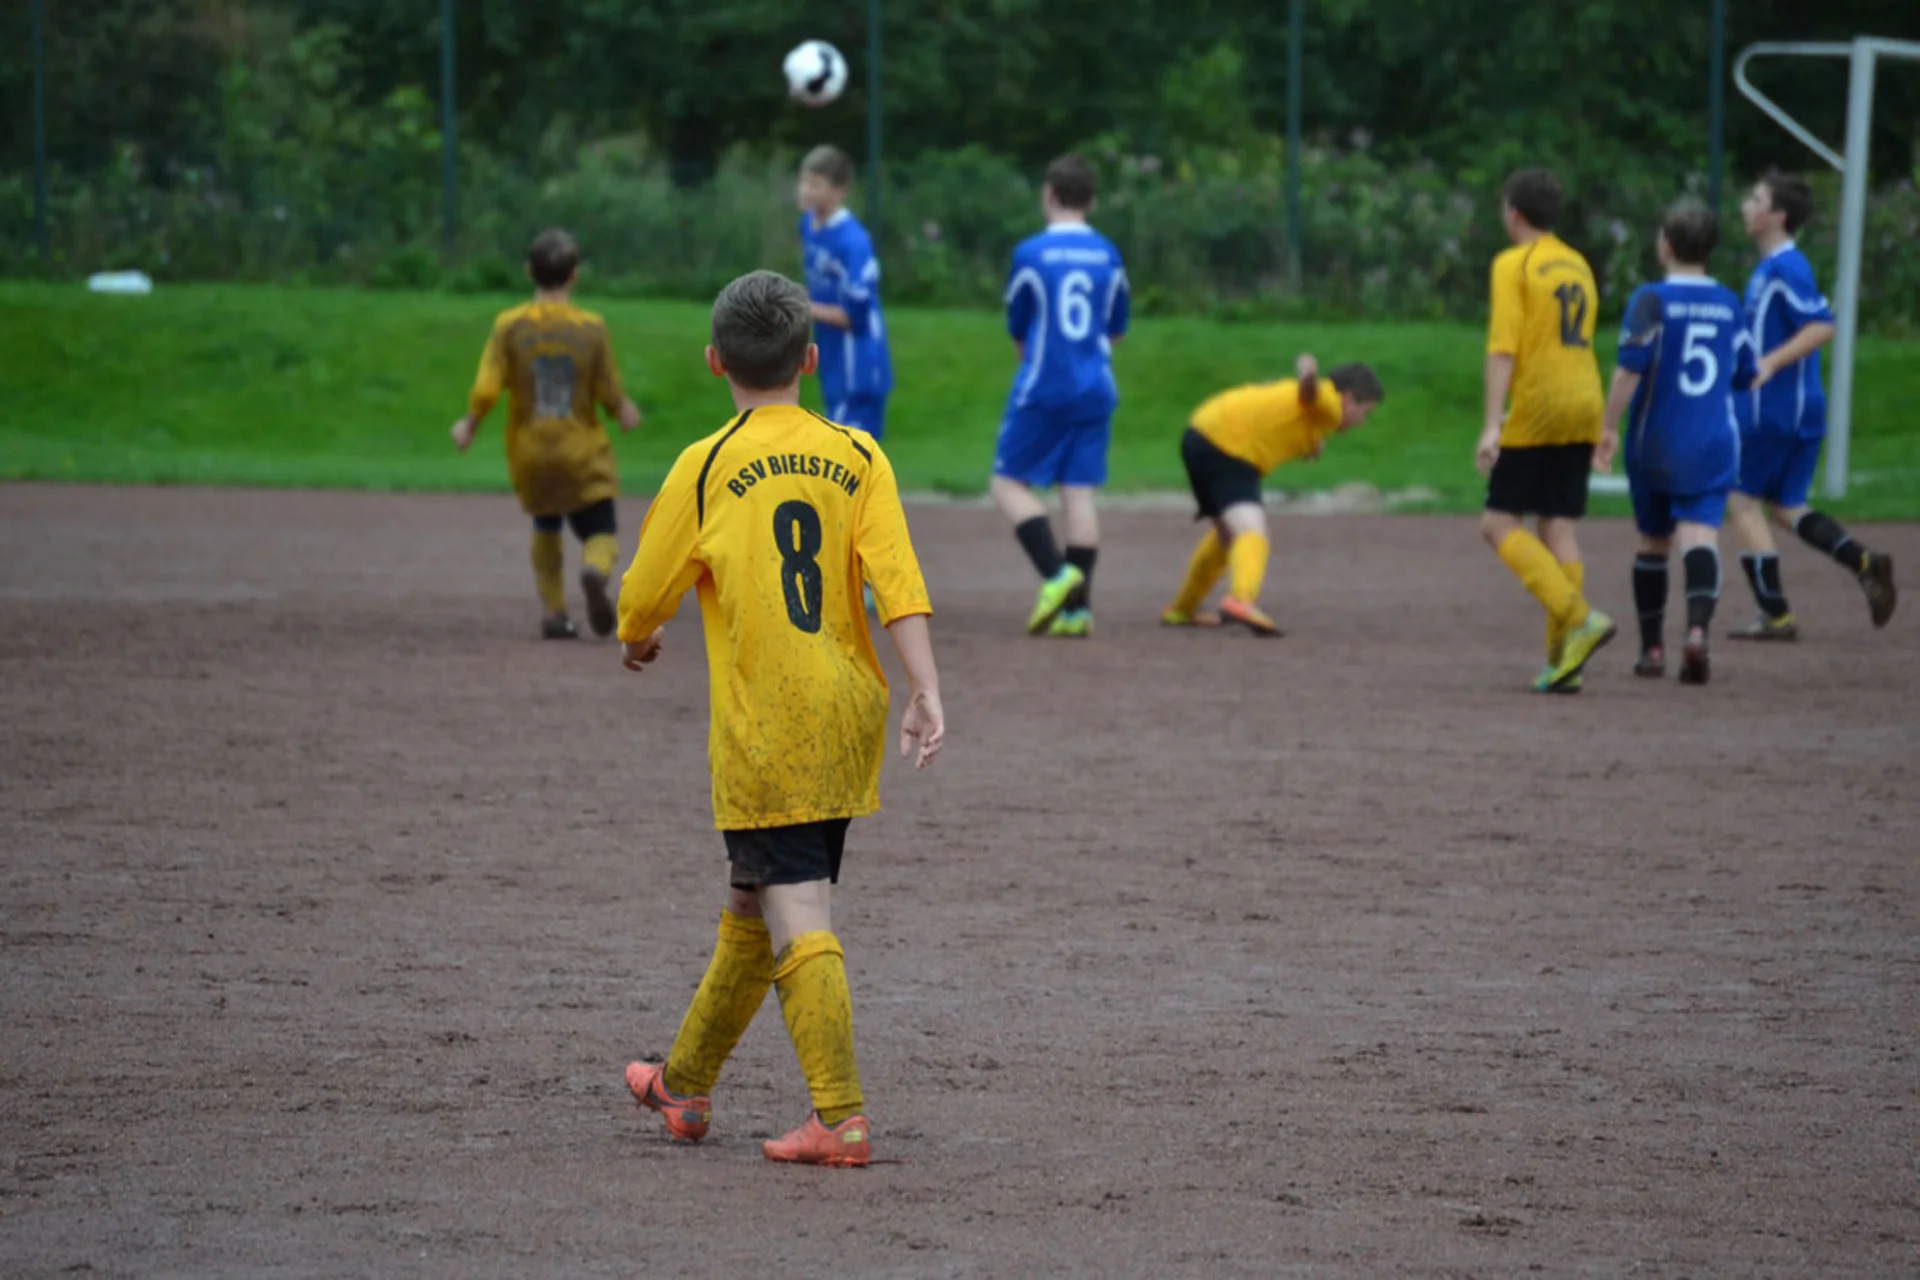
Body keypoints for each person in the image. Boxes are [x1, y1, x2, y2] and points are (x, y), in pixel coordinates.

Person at [615, 270, 945, 1169]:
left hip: (771, 727)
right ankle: (683, 1087)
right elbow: (897, 585)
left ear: (715, 360)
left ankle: (838, 1118)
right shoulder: (860, 455)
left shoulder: (708, 462)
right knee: (752, 902)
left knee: (794, 905)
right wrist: (926, 690)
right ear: (810, 358)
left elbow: (644, 591)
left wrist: (636, 638)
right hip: (848, 714)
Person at [1725, 169, 1896, 639]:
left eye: (1755, 197)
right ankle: (1863, 561)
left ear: (1776, 215)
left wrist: (1771, 363)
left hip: (1773, 410)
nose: (1746, 204)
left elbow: (1822, 325)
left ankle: (1775, 614)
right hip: (1796, 409)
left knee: (1739, 500)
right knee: (1786, 506)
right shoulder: (1772, 268)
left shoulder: (1785, 267)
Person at [450, 228, 641, 639]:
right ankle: (594, 569)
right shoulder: (591, 328)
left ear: (527, 272)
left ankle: (555, 613)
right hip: (581, 450)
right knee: (600, 529)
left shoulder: (509, 326)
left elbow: (487, 387)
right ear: (574, 276)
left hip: (531, 450)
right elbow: (607, 387)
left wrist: (469, 424)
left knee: (547, 523)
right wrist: (622, 410)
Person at [1602, 199, 1756, 687]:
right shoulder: (1730, 302)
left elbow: (1630, 368)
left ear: (1664, 245)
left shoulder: (1651, 299)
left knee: (1653, 542)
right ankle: (1696, 632)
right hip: (1712, 441)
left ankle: (1651, 649)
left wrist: (1606, 426)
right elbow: (1746, 373)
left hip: (1656, 441)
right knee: (1699, 536)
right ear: (1710, 250)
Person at [1476, 168, 1616, 693]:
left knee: (1496, 523)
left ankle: (1578, 618)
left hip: (1542, 404)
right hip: (1585, 398)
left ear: (1513, 213)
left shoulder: (1514, 264)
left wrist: (1493, 424)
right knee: (1557, 526)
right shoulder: (1577, 262)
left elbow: (1503, 347)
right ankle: (1563, 660)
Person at [991, 154, 1130, 638]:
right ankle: (1078, 611)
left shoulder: (1031, 254)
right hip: (1097, 386)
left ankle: (1056, 575)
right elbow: (1116, 329)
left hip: (1044, 385)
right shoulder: (1109, 254)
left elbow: (1018, 327)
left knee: (1007, 483)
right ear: (1091, 200)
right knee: (1078, 490)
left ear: (1048, 195)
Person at [1162, 355, 1386, 635]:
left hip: (1200, 435)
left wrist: (1310, 439)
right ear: (1349, 398)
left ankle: (1183, 609)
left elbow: (1289, 411)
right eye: (1364, 412)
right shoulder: (1330, 402)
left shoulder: (1313, 413)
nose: (1361, 421)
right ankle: (1241, 599)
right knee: (1252, 531)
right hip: (1230, 447)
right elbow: (1312, 394)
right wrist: (1309, 377)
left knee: (1228, 536)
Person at [798, 145, 892, 443]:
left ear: (840, 191)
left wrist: (803, 306)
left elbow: (856, 317)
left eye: (816, 184)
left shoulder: (854, 242)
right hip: (833, 358)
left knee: (849, 461)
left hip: (859, 363)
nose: (806, 190)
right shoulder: (809, 225)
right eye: (804, 181)